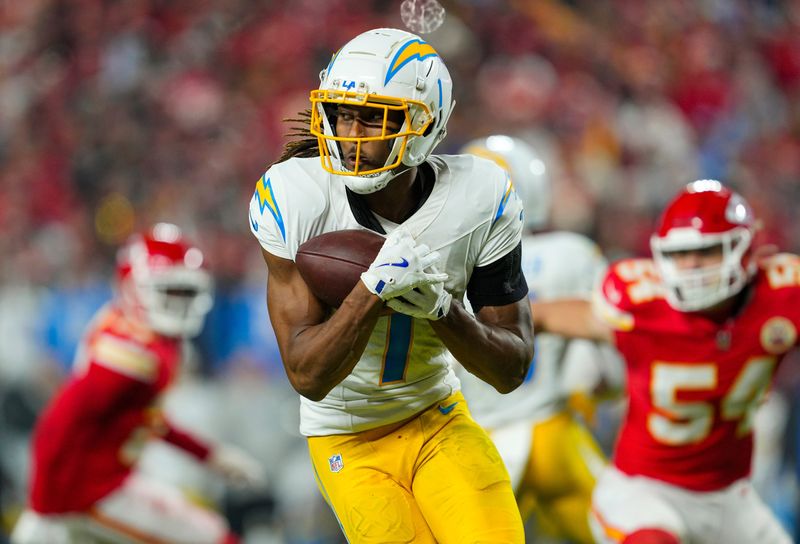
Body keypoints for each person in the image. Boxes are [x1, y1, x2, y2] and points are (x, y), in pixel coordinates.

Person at [248, 28, 535, 543]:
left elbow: (511, 367)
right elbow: (306, 372)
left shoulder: (480, 193)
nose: (350, 133)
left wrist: (442, 311)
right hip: (347, 438)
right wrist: (370, 292)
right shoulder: (296, 195)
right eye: (341, 113)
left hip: (437, 417)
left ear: (424, 125)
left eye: (373, 116)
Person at [530, 180, 796, 544]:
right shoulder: (643, 306)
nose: (691, 266)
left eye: (706, 252)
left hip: (730, 497)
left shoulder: (782, 295)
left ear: (744, 249)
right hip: (643, 492)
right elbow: (542, 316)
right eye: (680, 254)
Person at [11, 223, 265, 544]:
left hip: (110, 480)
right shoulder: (132, 359)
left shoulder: (135, 329)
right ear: (136, 288)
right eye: (170, 291)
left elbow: (143, 418)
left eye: (186, 292)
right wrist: (42, 508)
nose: (180, 302)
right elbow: (57, 425)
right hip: (88, 495)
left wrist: (209, 456)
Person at [458, 135, 621, 543]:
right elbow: (609, 368)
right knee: (625, 533)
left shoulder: (444, 265)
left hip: (476, 445)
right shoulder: (571, 253)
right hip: (554, 434)